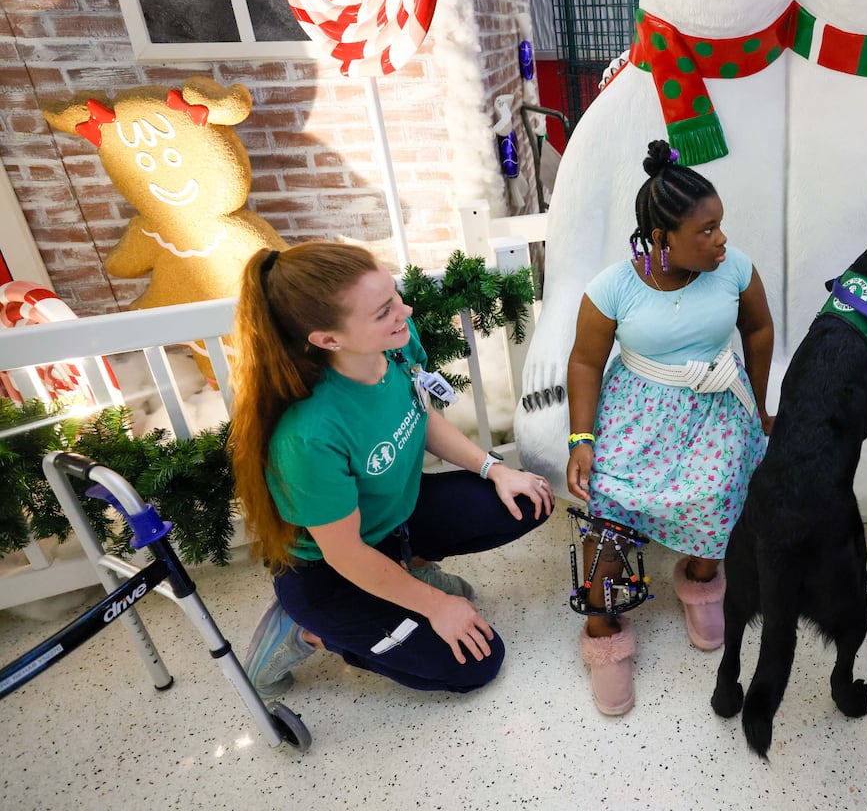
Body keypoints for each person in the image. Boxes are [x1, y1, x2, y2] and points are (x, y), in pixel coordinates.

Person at [231, 241, 554, 697]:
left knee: (528, 499)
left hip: (394, 521)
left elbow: (421, 417)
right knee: (477, 665)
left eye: (395, 296)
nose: (405, 309)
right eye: (384, 310)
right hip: (331, 572)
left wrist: (493, 468)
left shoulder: (397, 344)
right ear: (328, 339)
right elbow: (345, 555)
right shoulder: (309, 436)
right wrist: (438, 606)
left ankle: (409, 569)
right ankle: (305, 631)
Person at [566, 139, 774, 716]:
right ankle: (605, 630)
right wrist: (581, 439)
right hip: (636, 410)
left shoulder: (734, 269)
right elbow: (584, 362)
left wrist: (758, 403)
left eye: (721, 226)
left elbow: (758, 330)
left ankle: (702, 578)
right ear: (662, 238)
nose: (722, 240)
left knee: (720, 490)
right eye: (706, 231)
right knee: (607, 504)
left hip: (714, 408)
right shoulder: (613, 288)